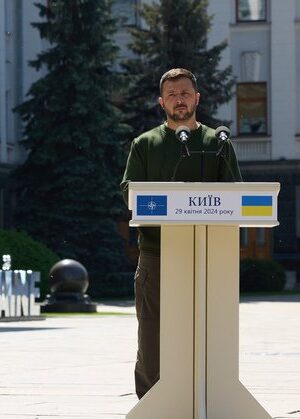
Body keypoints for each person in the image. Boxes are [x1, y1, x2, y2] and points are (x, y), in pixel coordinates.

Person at [120, 68, 242, 399]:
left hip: (207, 254)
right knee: (152, 336)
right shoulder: (144, 144)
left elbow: (235, 194)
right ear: (162, 102)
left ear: (197, 97)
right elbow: (129, 191)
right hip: (158, 253)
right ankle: (152, 406)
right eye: (172, 95)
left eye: (185, 93)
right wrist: (169, 198)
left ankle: (213, 406)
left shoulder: (218, 142)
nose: (180, 100)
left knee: (210, 334)